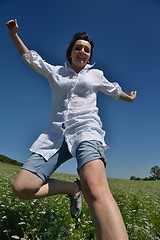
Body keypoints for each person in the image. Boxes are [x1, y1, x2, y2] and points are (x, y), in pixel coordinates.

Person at [6, 19, 137, 240]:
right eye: (78, 47)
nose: (82, 52)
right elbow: (32, 60)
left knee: (95, 187)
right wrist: (14, 35)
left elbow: (114, 90)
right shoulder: (56, 72)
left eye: (86, 50)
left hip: (86, 131)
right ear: (70, 52)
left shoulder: (95, 75)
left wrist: (129, 98)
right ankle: (72, 189)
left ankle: (85, 190)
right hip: (55, 136)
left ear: (89, 56)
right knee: (22, 187)